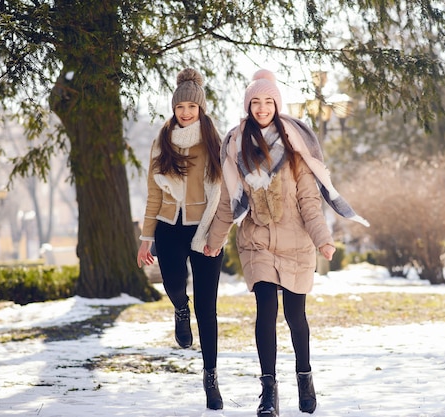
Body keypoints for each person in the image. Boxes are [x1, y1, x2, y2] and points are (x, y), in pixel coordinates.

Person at [204, 69, 369, 417]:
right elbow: (227, 200)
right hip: (257, 240)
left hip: (296, 241)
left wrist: (323, 240)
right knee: (266, 308)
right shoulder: (237, 146)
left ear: (276, 105)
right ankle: (268, 392)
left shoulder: (295, 148)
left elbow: (310, 202)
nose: (262, 108)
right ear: (248, 105)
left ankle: (305, 379)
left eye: (268, 101)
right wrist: (215, 240)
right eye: (256, 102)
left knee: (296, 316)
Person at [136, 68, 225, 410]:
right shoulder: (162, 142)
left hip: (204, 228)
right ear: (173, 109)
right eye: (180, 107)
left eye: (192, 106)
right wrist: (146, 239)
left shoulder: (214, 141)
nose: (185, 112)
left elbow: (224, 192)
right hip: (169, 227)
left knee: (209, 308)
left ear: (201, 108)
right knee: (173, 284)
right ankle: (179, 309)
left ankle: (211, 377)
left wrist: (216, 233)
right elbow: (153, 195)